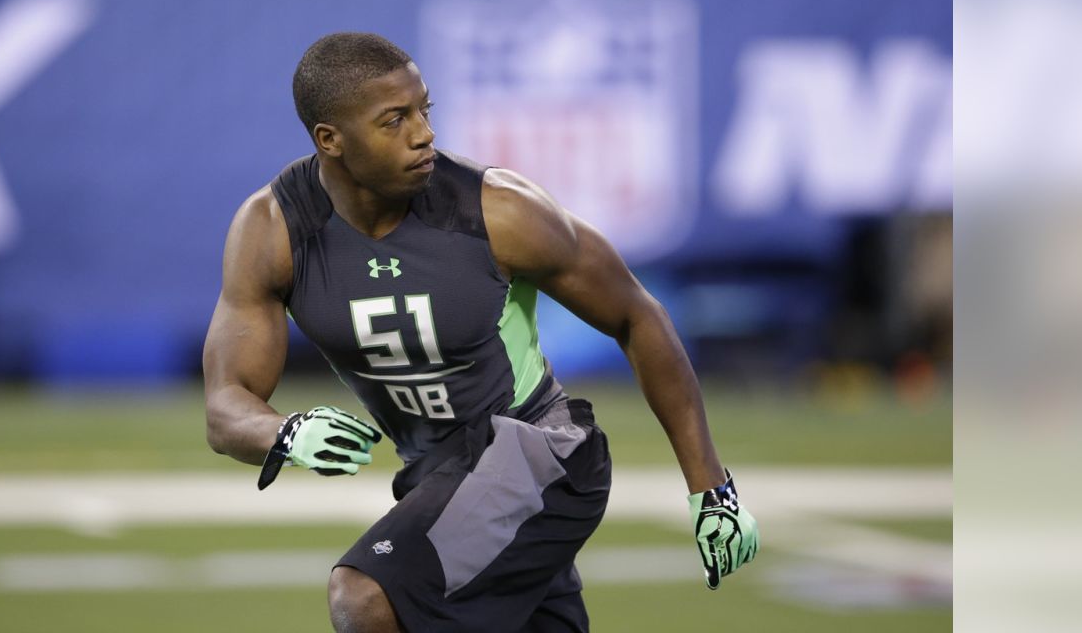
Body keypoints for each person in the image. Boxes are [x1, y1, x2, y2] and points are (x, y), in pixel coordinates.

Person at [203, 32, 758, 632]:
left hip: (538, 450)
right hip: (438, 473)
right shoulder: (274, 229)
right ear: (330, 140)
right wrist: (283, 432)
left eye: (424, 110)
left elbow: (636, 314)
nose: (423, 133)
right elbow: (225, 405)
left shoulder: (497, 210)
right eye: (394, 120)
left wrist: (712, 489)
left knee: (364, 598)